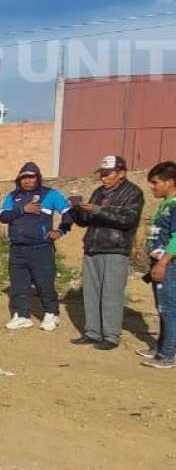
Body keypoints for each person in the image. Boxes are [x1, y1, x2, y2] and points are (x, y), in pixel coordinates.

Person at [64, 155, 144, 351]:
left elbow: (128, 220)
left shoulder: (133, 193)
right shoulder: (98, 192)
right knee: (91, 293)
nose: (103, 178)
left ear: (121, 173)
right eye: (102, 174)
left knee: (111, 294)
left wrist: (98, 210)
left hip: (115, 249)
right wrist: (76, 210)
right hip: (93, 247)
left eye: (108, 174)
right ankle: (92, 332)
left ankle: (110, 336)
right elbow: (86, 221)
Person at [0, 162, 71, 331]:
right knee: (18, 285)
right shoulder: (13, 196)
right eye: (24, 177)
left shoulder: (50, 195)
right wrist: (23, 209)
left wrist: (61, 231)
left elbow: (68, 213)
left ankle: (51, 314)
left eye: (31, 177)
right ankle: (22, 316)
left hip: (41, 248)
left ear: (38, 178)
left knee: (44, 283)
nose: (27, 181)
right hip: (17, 248)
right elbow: (3, 216)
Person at [141, 161, 176, 368]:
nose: (152, 187)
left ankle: (167, 355)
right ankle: (161, 347)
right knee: (162, 307)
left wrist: (163, 263)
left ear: (170, 182)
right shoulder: (166, 203)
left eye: (155, 182)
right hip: (160, 262)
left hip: (169, 265)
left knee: (168, 309)